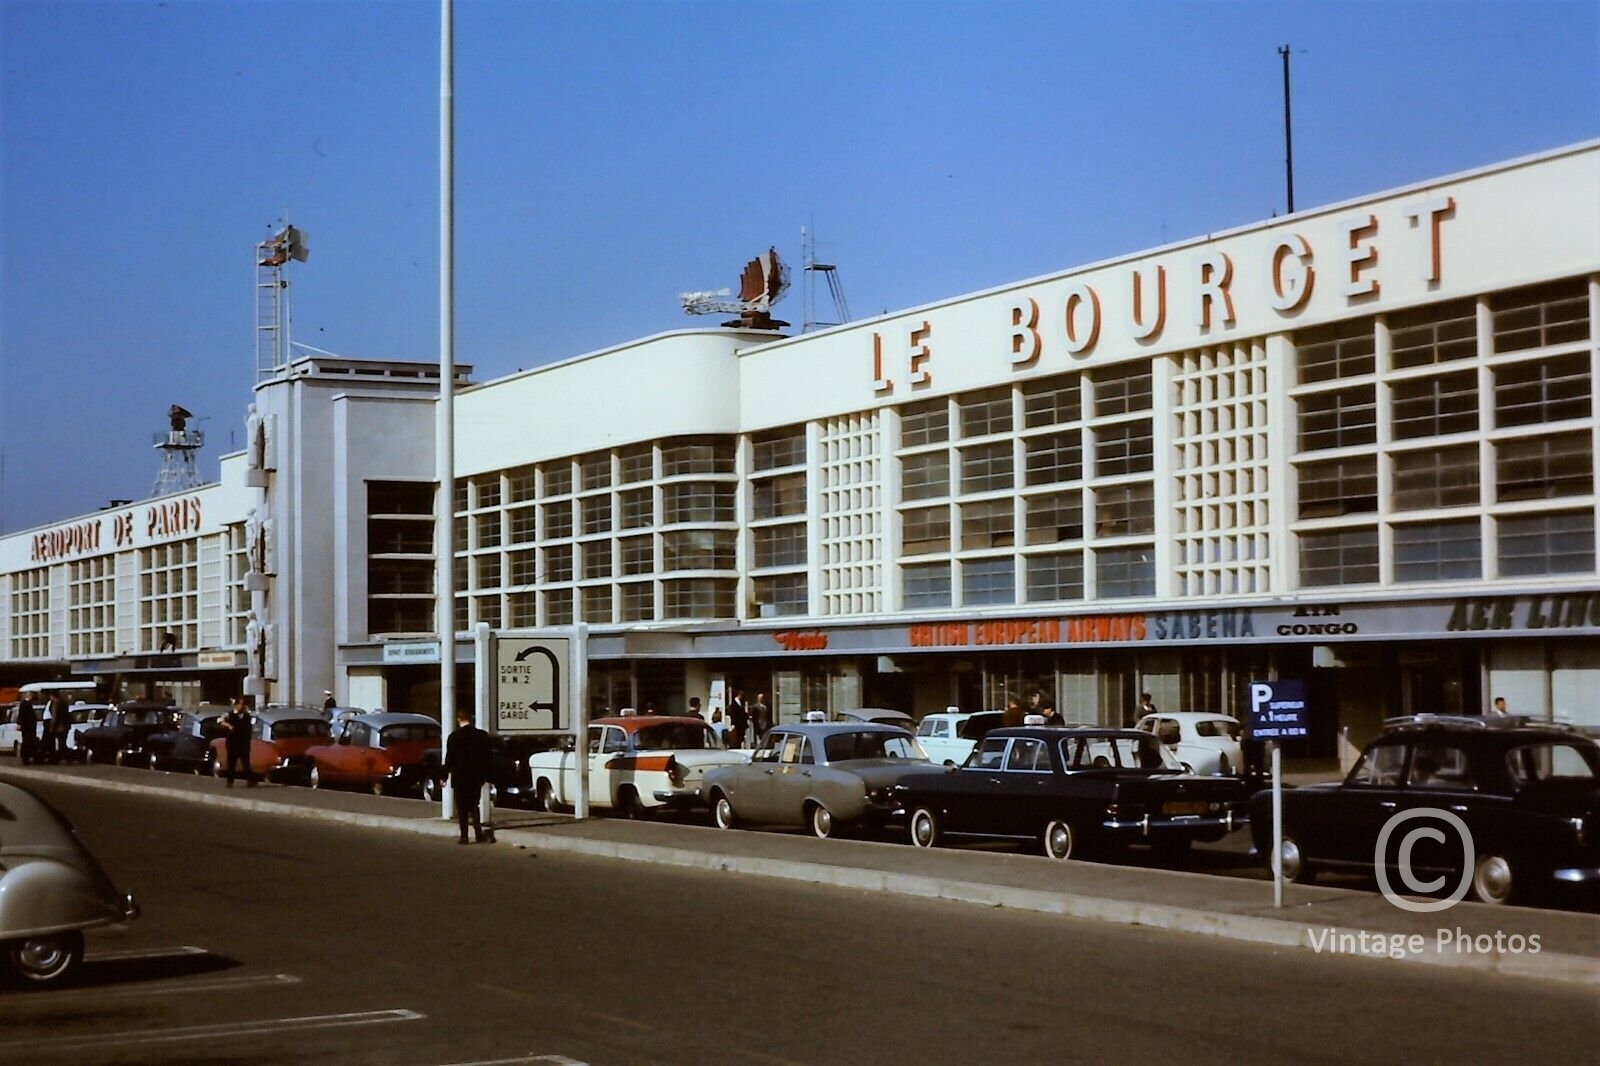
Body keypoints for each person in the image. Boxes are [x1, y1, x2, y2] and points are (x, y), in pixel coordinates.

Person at [444, 710, 495, 844]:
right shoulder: (481, 736)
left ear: (458, 719)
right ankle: (478, 834)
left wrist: (443, 776)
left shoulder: (453, 737)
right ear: (471, 719)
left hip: (459, 778)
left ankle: (464, 836)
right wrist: (488, 776)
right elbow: (488, 758)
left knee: (462, 808)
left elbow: (449, 759)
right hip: (475, 777)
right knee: (474, 806)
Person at [222, 696, 257, 787]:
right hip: (232, 742)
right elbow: (221, 721)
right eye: (240, 704)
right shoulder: (230, 714)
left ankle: (250, 780)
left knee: (245, 762)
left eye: (243, 704)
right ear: (236, 705)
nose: (242, 706)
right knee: (231, 762)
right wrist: (229, 725)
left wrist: (248, 741)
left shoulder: (246, 716)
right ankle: (230, 782)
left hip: (243, 743)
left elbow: (248, 729)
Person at [16, 694, 37, 765]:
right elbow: (22, 715)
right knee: (26, 743)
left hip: (27, 727)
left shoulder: (25, 704)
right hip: (27, 727)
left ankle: (26, 758)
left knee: (27, 743)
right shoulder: (25, 704)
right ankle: (25, 759)